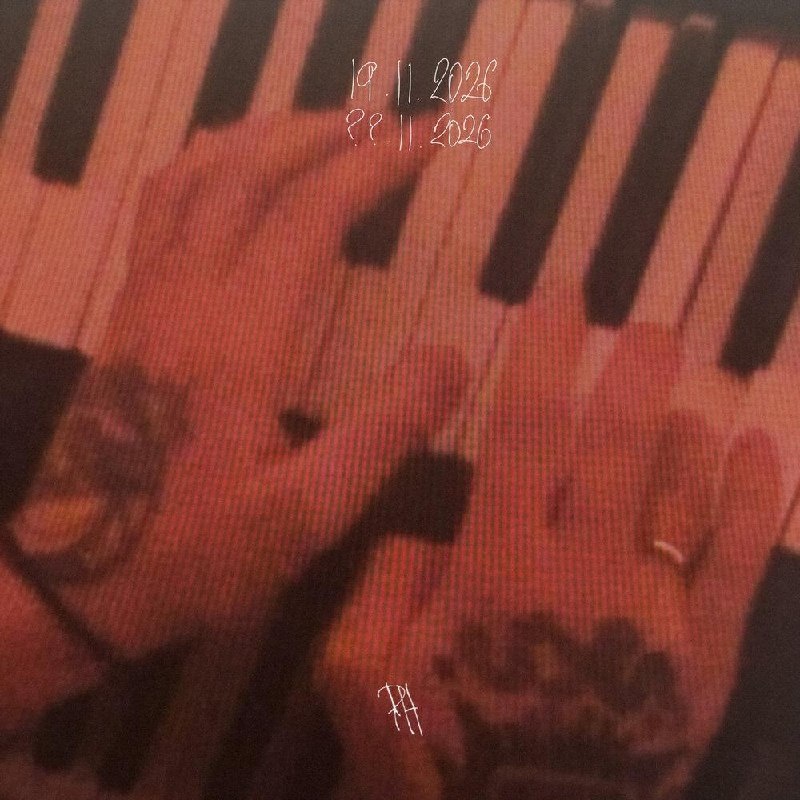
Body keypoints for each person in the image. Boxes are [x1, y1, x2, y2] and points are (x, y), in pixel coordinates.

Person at [0, 112, 789, 799]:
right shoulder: (400, 709)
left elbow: (386, 697)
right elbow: (385, 696)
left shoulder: (400, 707)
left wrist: (42, 626)